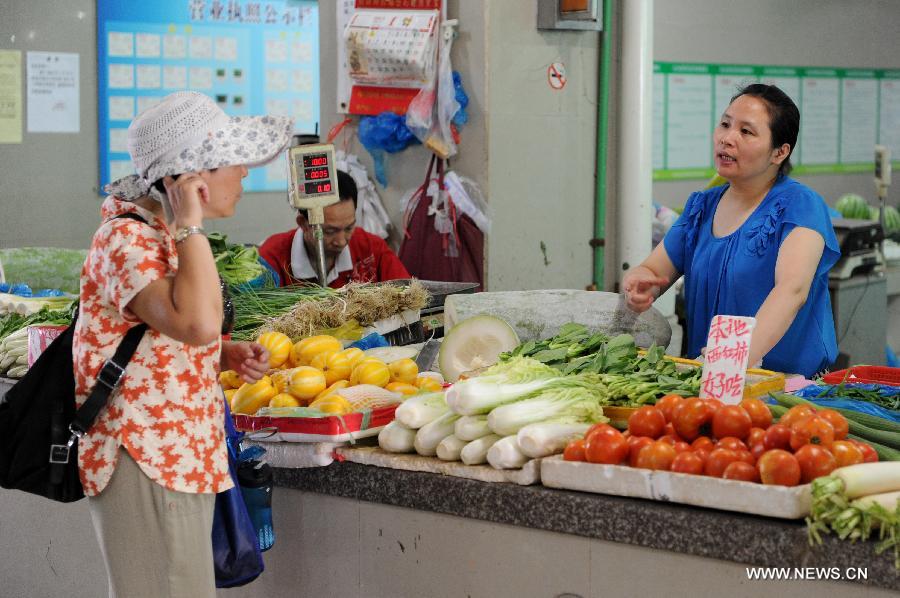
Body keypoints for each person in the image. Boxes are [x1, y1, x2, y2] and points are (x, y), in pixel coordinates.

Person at [73, 91, 293, 597]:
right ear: (191, 177)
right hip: (148, 456)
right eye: (230, 162)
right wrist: (191, 223)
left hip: (179, 453)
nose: (243, 173)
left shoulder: (161, 235)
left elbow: (176, 336)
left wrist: (220, 356)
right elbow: (195, 324)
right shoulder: (128, 240)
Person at [623, 84, 839, 377]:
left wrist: (733, 357)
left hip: (786, 386)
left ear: (779, 152)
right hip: (710, 378)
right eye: (725, 124)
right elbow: (654, 269)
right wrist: (641, 282)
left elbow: (792, 290)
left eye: (746, 132)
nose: (727, 138)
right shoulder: (701, 207)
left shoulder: (800, 205)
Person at [259, 169, 410, 287]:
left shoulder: (371, 249)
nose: (341, 241)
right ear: (303, 224)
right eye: (330, 231)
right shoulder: (273, 258)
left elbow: (407, 295)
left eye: (349, 227)